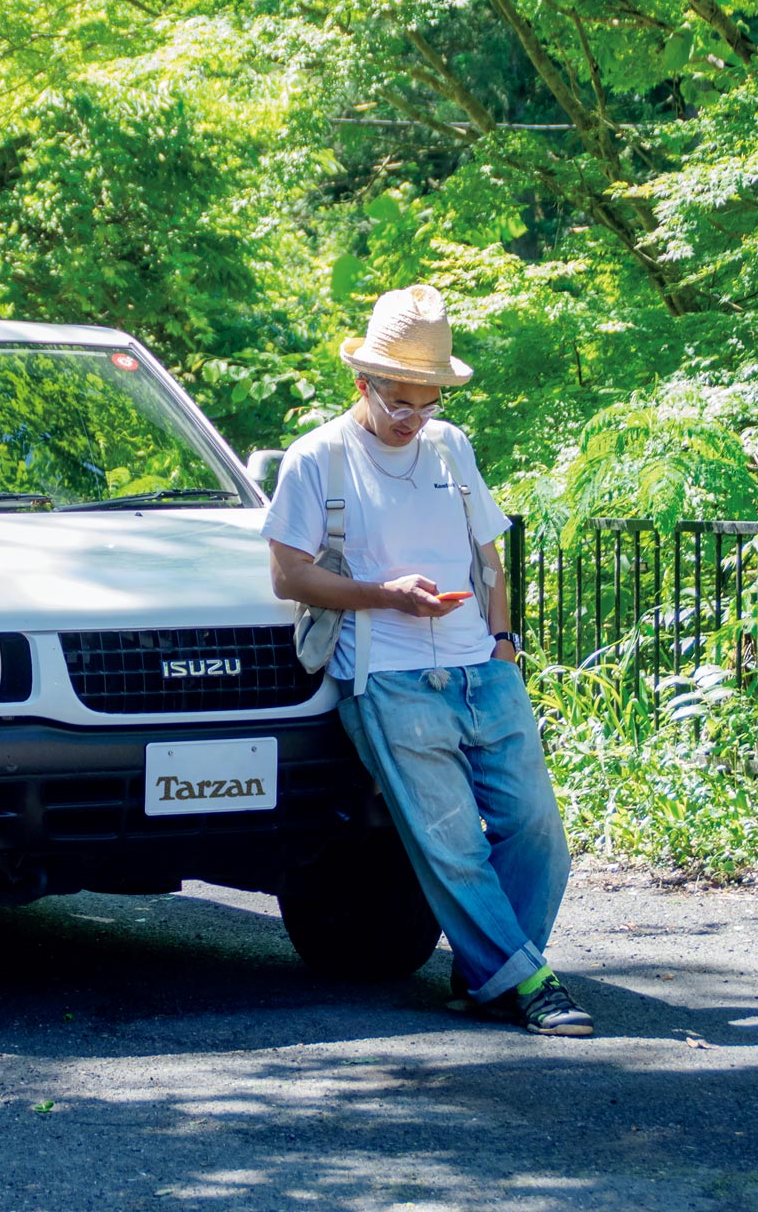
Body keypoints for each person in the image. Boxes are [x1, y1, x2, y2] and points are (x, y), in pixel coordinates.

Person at [262, 284, 591, 1036]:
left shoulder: (452, 446)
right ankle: (530, 982)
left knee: (538, 832)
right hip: (387, 676)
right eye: (399, 402)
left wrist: (504, 648)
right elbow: (288, 576)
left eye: (427, 402)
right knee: (449, 846)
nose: (413, 419)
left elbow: (489, 558)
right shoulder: (319, 459)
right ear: (362, 384)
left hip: (484, 668)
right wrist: (384, 595)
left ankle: (488, 975)